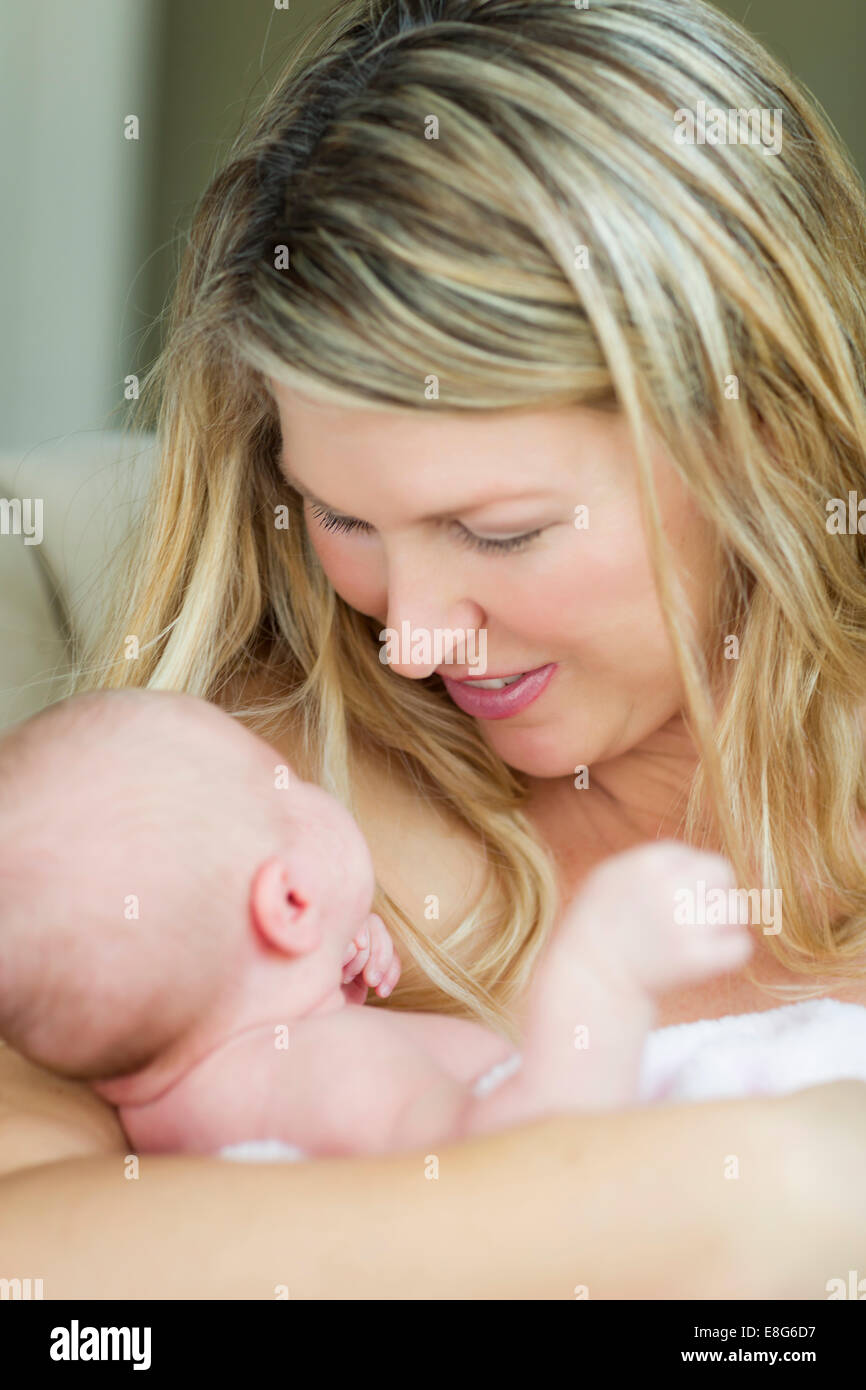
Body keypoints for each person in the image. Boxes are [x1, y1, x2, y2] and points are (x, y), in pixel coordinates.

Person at [3, 0, 866, 1298]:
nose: (407, 636)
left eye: (498, 531)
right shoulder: (219, 834)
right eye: (345, 518)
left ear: (755, 441)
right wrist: (769, 1190)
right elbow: (34, 1254)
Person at [0, 689, 754, 1160]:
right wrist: (602, 976)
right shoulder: (321, 1070)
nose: (306, 778)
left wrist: (320, 964)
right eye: (284, 781)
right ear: (289, 904)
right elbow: (517, 1174)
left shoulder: (197, 1087)